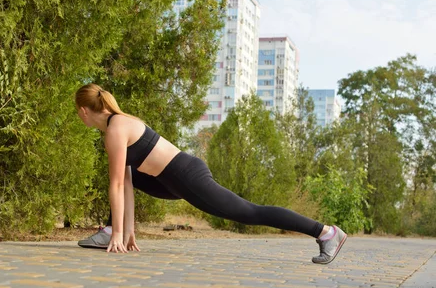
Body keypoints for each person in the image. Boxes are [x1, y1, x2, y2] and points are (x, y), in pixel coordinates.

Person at [75, 83, 346, 264]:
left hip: (184, 175)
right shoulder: (119, 125)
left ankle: (325, 232)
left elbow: (115, 186)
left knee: (248, 212)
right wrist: (126, 232)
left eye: (79, 115)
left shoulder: (115, 130)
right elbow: (125, 183)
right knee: (126, 176)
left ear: (84, 111)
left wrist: (119, 236)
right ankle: (112, 229)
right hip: (167, 180)